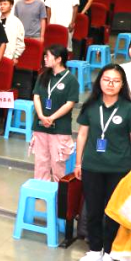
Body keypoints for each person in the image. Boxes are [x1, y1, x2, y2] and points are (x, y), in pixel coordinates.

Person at [75, 64, 131, 261]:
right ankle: (95, 250)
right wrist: (78, 163)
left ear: (122, 84)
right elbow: (82, 135)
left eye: (116, 80)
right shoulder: (90, 106)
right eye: (106, 79)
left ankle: (109, 254)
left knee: (112, 213)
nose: (110, 84)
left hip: (119, 169)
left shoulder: (130, 109)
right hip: (92, 167)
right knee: (93, 211)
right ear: (100, 81)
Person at [31, 45, 79, 181]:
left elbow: (69, 104)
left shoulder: (71, 80)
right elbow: (36, 96)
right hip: (40, 125)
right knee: (41, 161)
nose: (45, 59)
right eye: (44, 56)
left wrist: (52, 117)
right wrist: (41, 116)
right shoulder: (43, 76)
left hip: (60, 127)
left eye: (48, 56)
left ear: (58, 59)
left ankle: (59, 191)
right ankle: (41, 187)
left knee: (58, 163)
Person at [0, 0, 25, 65]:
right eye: (1, 4)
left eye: (5, 4)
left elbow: (20, 42)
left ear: (11, 6)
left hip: (9, 56)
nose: (2, 6)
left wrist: (16, 56)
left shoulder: (16, 22)